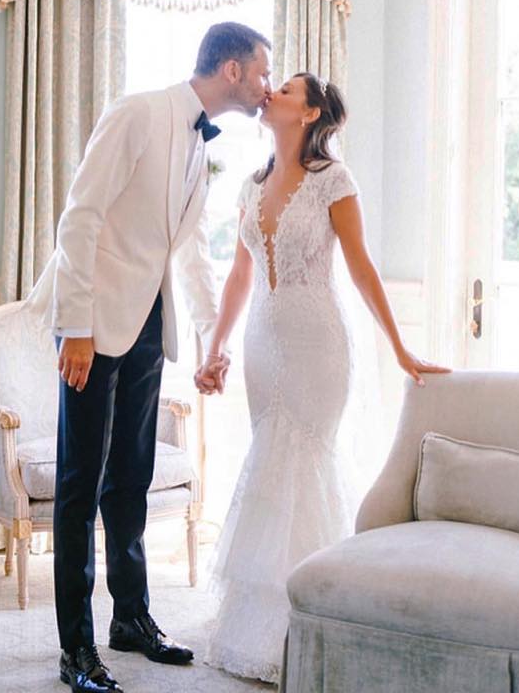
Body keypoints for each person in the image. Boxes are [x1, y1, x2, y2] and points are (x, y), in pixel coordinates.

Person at [25, 22, 271, 693]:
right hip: (93, 326)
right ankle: (76, 649)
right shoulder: (136, 113)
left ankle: (131, 618)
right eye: (261, 73)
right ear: (231, 70)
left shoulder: (200, 148)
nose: (266, 86)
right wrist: (76, 326)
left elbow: (186, 253)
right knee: (80, 485)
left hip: (146, 331)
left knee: (129, 478)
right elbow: (80, 217)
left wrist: (209, 342)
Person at [196, 72, 450, 684]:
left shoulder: (334, 180)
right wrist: (215, 346)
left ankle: (320, 621)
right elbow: (239, 276)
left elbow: (361, 268)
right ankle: (258, 627)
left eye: (286, 90)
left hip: (319, 346)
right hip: (263, 344)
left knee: (305, 464)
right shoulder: (252, 184)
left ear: (309, 114)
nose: (272, 94)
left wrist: (400, 348)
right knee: (268, 466)